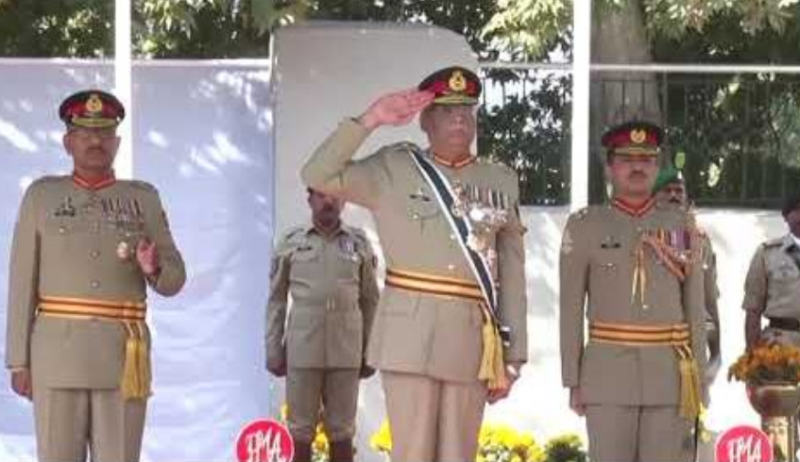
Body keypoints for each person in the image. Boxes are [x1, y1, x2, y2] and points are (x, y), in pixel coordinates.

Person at [300, 66, 528, 461]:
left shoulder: (500, 180)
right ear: (425, 120)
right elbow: (318, 173)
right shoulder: (393, 168)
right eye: (445, 110)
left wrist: (512, 355)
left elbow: (512, 271)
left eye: (467, 110)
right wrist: (370, 120)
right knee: (413, 454)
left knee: (459, 454)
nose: (459, 118)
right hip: (410, 338)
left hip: (471, 340)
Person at [5, 89, 186, 462]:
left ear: (117, 142)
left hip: (122, 360)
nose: (95, 141)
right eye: (85, 133)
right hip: (57, 357)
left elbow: (175, 280)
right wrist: (19, 361)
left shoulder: (143, 200)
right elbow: (22, 281)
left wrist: (152, 268)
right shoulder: (42, 197)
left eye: (104, 133)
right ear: (68, 142)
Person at [559, 121, 707, 462]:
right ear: (609, 167)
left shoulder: (681, 223)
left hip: (669, 375)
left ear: (657, 166)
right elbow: (570, 308)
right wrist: (573, 379)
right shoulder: (585, 225)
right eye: (626, 159)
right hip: (606, 374)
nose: (638, 167)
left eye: (647, 159)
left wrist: (697, 374)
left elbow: (695, 304)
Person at [266, 188, 379, 462]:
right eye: (321, 195)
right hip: (303, 349)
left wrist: (372, 349)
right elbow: (276, 300)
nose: (328, 201)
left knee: (342, 433)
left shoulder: (359, 243)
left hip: (346, 350)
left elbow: (370, 300)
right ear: (309, 200)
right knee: (300, 433)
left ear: (343, 201)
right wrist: (273, 348)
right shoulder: (291, 242)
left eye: (334, 196)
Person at [653, 166, 722, 386]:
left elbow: (710, 299)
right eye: (667, 190)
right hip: (653, 344)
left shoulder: (700, 241)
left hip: (694, 343)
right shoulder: (642, 239)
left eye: (679, 190)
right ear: (653, 197)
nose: (674, 195)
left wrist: (716, 352)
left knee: (691, 417)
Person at [743, 192, 800, 350]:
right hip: (779, 346)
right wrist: (751, 354)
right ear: (786, 216)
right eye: (797, 210)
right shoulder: (767, 253)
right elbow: (753, 309)